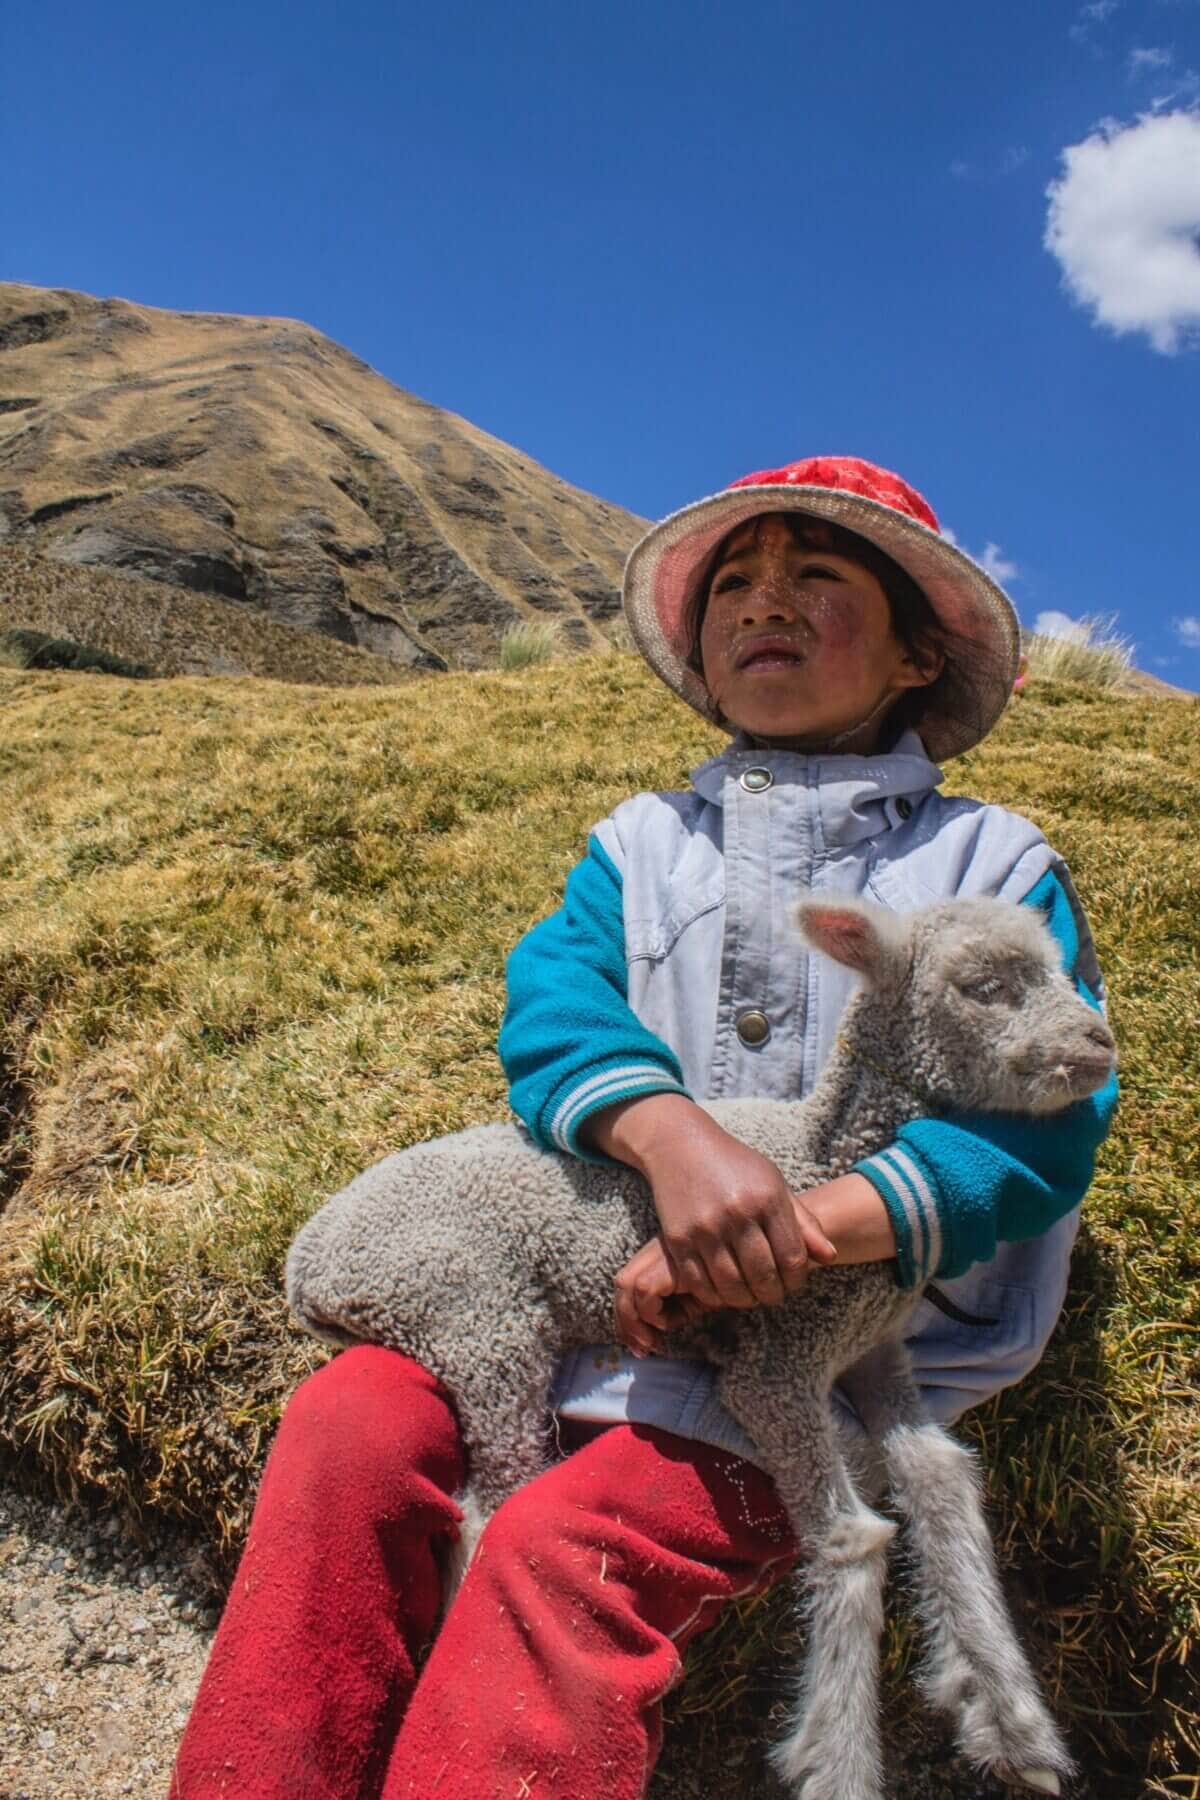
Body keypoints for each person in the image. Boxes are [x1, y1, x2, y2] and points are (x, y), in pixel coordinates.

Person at [170, 455, 1117, 1800]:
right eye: (733, 580)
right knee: (348, 1430)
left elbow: (1049, 1114)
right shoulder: (639, 847)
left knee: (564, 1553)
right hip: (584, 1307)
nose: (761, 602)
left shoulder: (991, 869)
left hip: (819, 1355)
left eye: (818, 576)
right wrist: (673, 1141)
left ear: (918, 653)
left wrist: (800, 1229)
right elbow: (554, 1013)